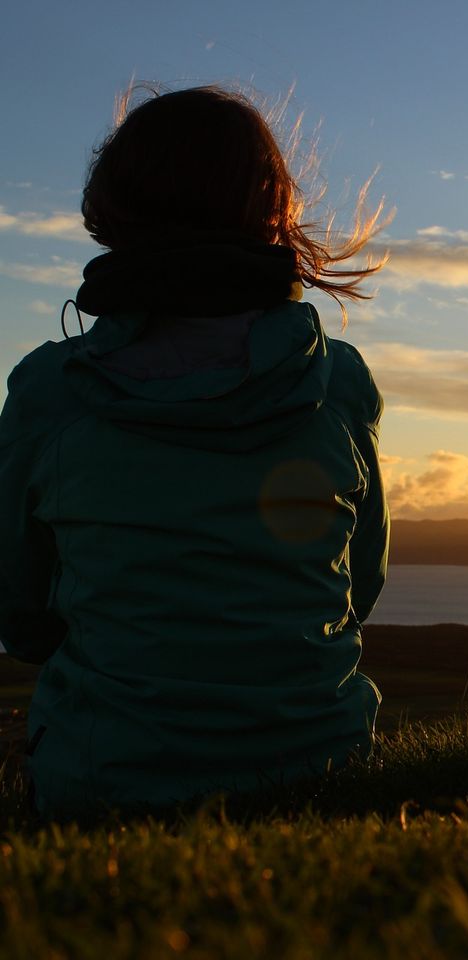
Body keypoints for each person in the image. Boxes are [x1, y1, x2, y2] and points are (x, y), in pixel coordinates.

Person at [0, 85, 391, 820]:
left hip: (103, 784)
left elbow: (20, 618)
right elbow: (355, 591)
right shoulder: (338, 382)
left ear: (114, 209)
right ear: (269, 208)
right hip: (323, 772)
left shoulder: (50, 392)